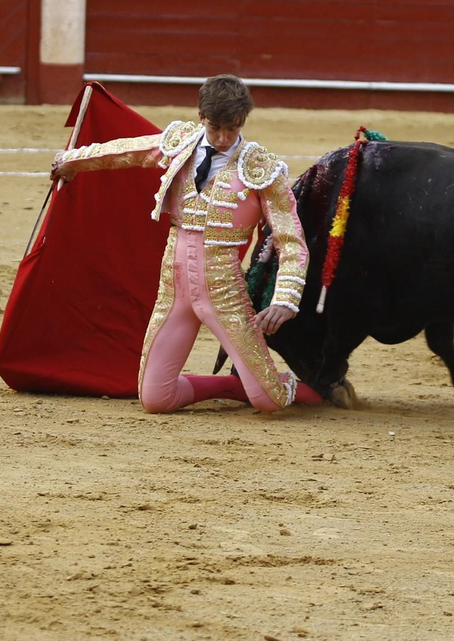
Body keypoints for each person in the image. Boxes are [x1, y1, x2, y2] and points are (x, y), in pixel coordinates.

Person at [50, 75, 317, 415]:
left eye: (233, 129)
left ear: (244, 121)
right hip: (173, 289)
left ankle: (304, 390)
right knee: (156, 399)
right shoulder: (181, 143)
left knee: (270, 400)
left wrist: (286, 299)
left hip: (224, 294)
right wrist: (72, 160)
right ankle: (232, 386)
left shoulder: (261, 168)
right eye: (215, 128)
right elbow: (127, 151)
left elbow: (290, 238)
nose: (223, 138)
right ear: (201, 117)